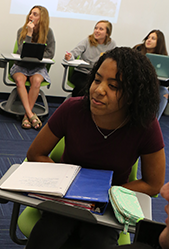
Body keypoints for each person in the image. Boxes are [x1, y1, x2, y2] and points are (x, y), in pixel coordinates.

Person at [25, 47, 165, 249]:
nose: (98, 90)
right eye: (97, 80)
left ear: (134, 95)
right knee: (47, 235)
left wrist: (106, 194)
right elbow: (35, 154)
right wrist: (67, 184)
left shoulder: (145, 124)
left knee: (98, 241)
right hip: (65, 197)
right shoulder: (72, 109)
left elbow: (153, 184)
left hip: (109, 205)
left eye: (114, 86)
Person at [10, 5, 55, 130]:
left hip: (38, 67)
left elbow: (50, 53)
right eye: (31, 13)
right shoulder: (22, 30)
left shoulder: (48, 32)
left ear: (42, 19)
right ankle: (30, 114)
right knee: (20, 80)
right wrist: (29, 34)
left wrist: (34, 55)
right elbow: (21, 51)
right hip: (21, 65)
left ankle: (26, 115)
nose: (31, 16)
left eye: (35, 14)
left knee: (36, 81)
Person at [64, 20, 116, 97]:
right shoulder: (87, 40)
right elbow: (74, 53)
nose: (97, 31)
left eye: (101, 29)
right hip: (82, 73)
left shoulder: (111, 44)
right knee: (83, 87)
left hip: (98, 75)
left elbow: (113, 60)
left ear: (107, 33)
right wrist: (69, 57)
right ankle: (76, 105)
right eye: (96, 28)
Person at [133, 29, 169, 120]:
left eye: (153, 38)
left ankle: (153, 122)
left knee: (164, 92)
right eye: (148, 37)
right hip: (136, 81)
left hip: (153, 85)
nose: (149, 40)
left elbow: (165, 81)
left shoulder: (163, 58)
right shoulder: (138, 49)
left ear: (159, 42)